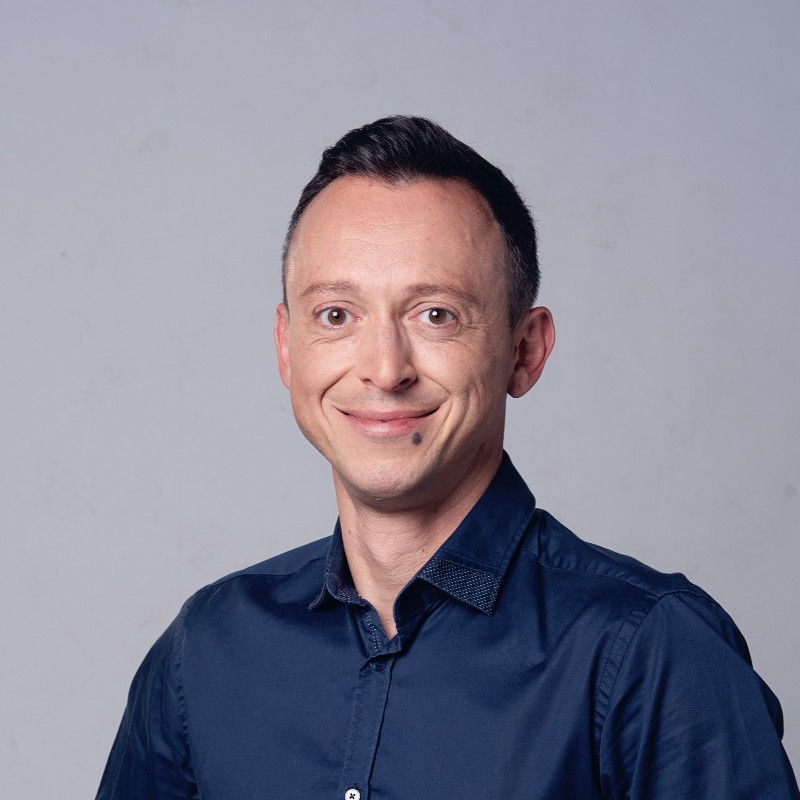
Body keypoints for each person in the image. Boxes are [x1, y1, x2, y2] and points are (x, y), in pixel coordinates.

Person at [97, 116, 799, 799]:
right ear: (287, 348)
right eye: (336, 315)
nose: (384, 369)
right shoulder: (206, 651)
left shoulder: (652, 651)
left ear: (525, 351)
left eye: (435, 314)